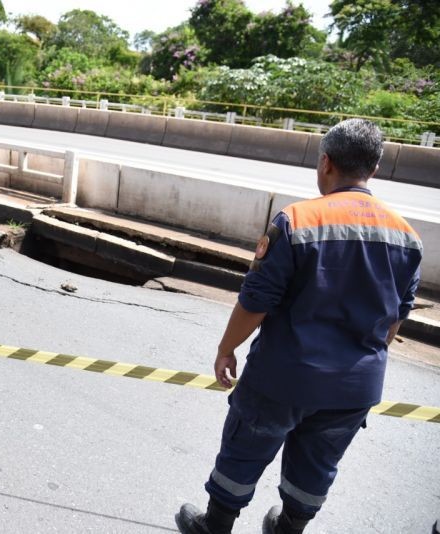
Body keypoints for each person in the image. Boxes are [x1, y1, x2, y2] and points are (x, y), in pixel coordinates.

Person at [175, 118, 423, 534]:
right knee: (319, 461)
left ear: (325, 162)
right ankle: (289, 527)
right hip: (355, 385)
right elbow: (395, 320)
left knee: (247, 445)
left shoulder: (297, 220)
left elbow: (257, 299)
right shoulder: (408, 237)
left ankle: (215, 525)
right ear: (374, 170)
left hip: (283, 376)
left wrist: (226, 349)